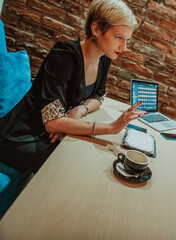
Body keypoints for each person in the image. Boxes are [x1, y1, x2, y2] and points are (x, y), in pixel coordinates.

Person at [0, 0, 146, 172]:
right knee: (76, 165)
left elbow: (99, 97)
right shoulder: (63, 56)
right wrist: (111, 128)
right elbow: (52, 123)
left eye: (127, 39)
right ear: (96, 29)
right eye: (119, 37)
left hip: (55, 133)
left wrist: (79, 110)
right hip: (21, 135)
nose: (124, 47)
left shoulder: (104, 58)